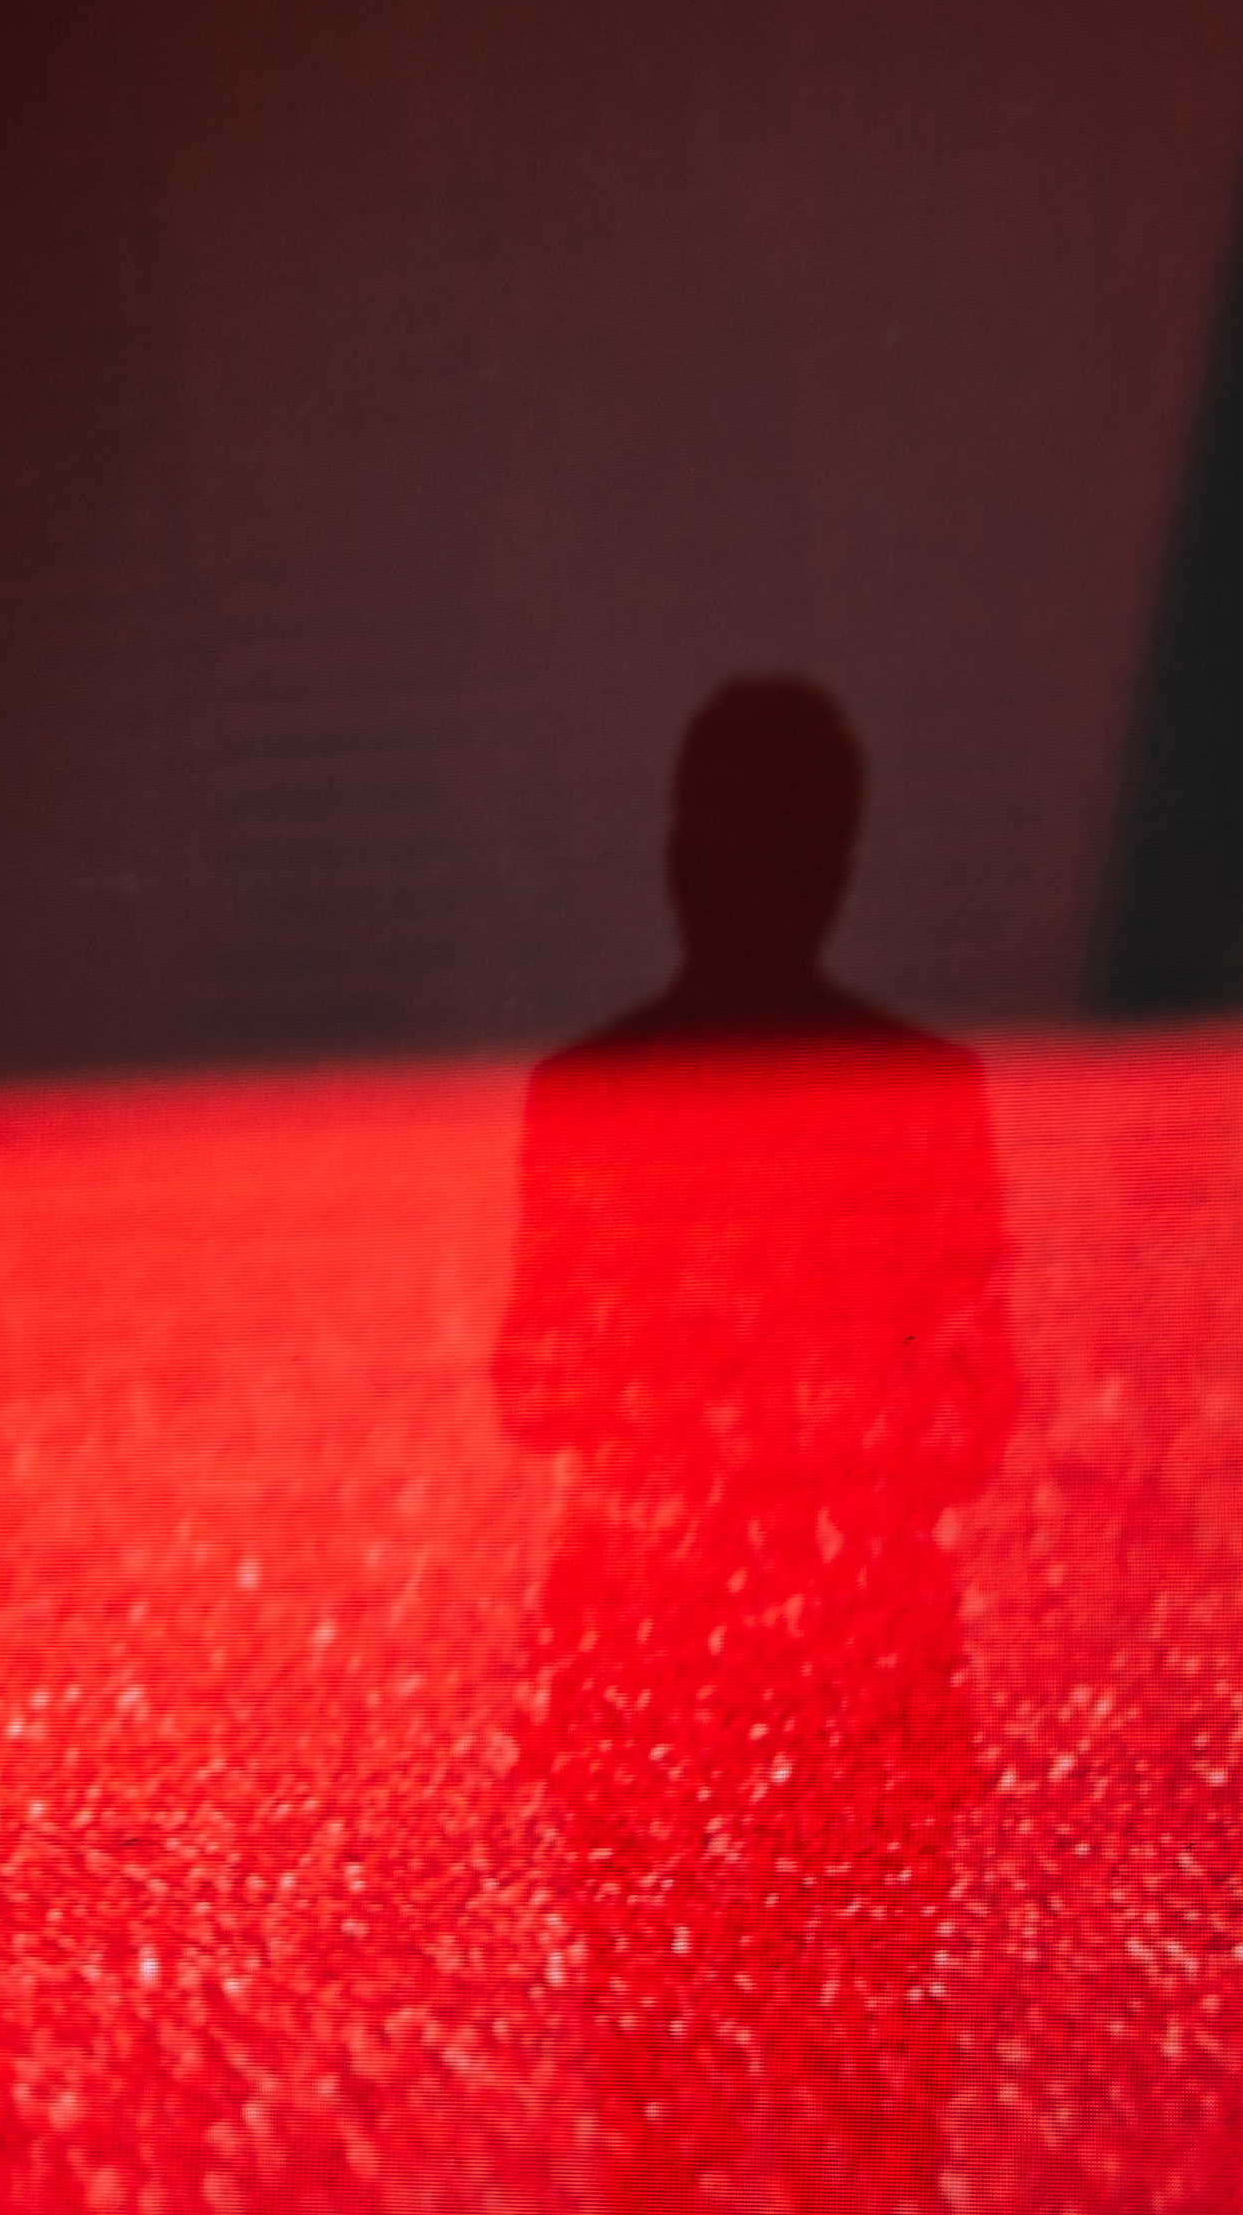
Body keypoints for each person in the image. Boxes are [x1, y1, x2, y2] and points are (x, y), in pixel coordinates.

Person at [495, 677, 1015, 2215]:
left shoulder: (590, 1098)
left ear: (682, 853)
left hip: (664, 1673)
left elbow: (535, 1388)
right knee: (862, 2113)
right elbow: (972, 1416)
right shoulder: (922, 1094)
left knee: (681, 2116)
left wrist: (697, 1403)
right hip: (840, 1671)